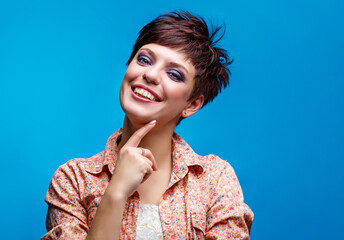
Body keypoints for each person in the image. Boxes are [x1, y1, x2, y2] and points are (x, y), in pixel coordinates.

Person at [41, 11, 253, 240]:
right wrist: (116, 191)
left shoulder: (215, 180)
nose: (150, 74)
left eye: (174, 74)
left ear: (192, 104)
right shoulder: (73, 180)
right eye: (144, 60)